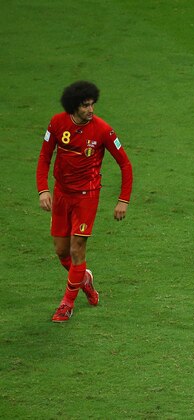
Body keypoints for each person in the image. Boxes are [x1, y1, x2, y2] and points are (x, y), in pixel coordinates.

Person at [37, 81, 133, 322]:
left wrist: (123, 200)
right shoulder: (57, 123)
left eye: (92, 105)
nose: (91, 110)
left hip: (86, 197)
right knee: (61, 252)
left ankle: (66, 304)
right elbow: (44, 157)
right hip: (61, 195)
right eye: (85, 106)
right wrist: (43, 190)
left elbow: (125, 164)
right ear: (73, 107)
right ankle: (85, 281)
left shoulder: (103, 130)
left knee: (76, 248)